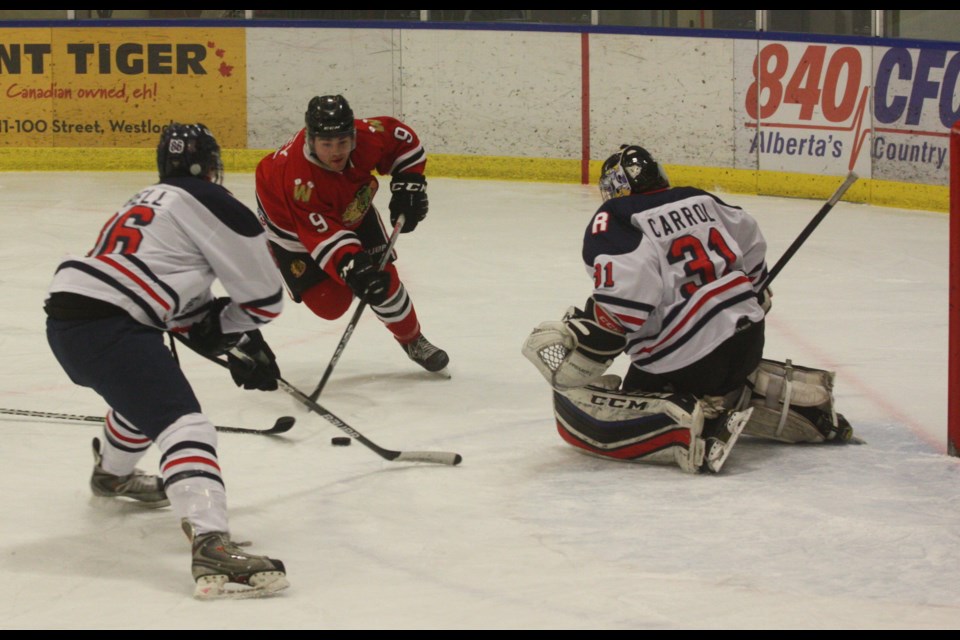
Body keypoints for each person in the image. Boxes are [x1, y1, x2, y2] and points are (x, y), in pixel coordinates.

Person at [44, 123, 290, 599]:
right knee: (187, 427)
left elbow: (165, 287)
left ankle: (112, 476)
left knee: (145, 401)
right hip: (109, 322)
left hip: (74, 318)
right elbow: (264, 298)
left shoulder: (144, 199)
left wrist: (219, 330)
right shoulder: (213, 201)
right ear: (210, 167)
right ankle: (210, 543)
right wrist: (233, 329)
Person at [522, 144, 858, 474]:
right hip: (749, 340)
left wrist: (590, 340)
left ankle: (692, 428)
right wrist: (751, 288)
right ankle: (801, 406)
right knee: (726, 379)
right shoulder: (699, 198)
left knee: (617, 409)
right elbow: (751, 238)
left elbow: (629, 302)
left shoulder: (617, 218)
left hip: (685, 360)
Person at [254, 94, 449, 374]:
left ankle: (413, 340)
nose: (336, 152)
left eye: (343, 142)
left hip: (347, 207)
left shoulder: (366, 136)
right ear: (310, 140)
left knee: (384, 282)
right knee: (331, 305)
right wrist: (354, 269)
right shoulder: (297, 182)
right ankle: (274, 250)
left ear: (353, 136)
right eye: (326, 144)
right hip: (294, 229)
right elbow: (324, 237)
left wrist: (410, 182)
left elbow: (402, 140)